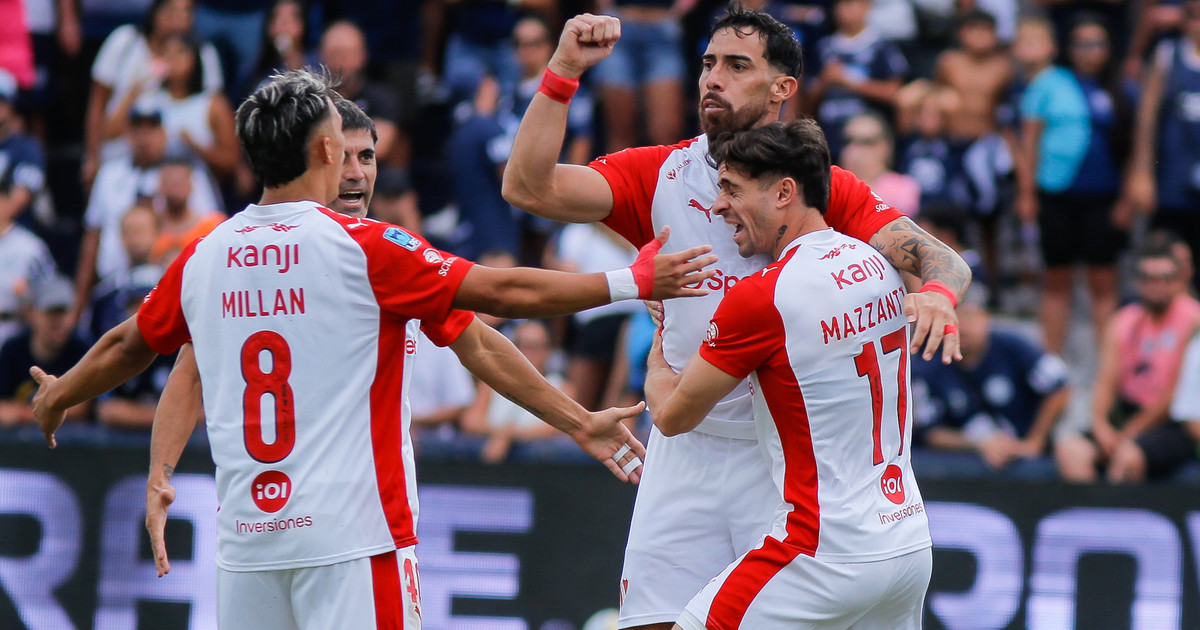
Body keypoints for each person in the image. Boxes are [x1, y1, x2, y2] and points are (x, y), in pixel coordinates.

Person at [30, 68, 715, 628]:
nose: (355, 166)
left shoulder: (205, 254)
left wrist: (61, 393)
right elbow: (501, 292)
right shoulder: (365, 250)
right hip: (354, 539)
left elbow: (128, 345)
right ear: (325, 151)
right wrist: (630, 280)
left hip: (248, 544)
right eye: (344, 145)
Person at [500, 9, 968, 629]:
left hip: (777, 461)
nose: (713, 79)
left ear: (782, 88)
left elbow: (939, 258)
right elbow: (527, 189)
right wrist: (562, 70)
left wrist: (936, 293)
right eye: (707, 63)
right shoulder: (662, 173)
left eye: (738, 65)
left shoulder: (817, 187)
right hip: (683, 448)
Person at [647, 120, 931, 629]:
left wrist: (660, 335)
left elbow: (671, 417)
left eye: (732, 189)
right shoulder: (878, 264)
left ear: (784, 192)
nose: (718, 206)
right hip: (907, 542)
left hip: (821, 553)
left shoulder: (763, 297)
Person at [1016, 15, 1133, 355]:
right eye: (1082, 44)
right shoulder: (1049, 83)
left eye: (1097, 44)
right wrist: (1027, 194)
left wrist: (1127, 198)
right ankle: (1052, 361)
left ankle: (1109, 364)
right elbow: (1029, 143)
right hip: (1055, 194)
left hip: (1104, 196)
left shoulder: (1121, 88)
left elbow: (1132, 148)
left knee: (1103, 279)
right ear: (1069, 48)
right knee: (1056, 278)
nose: (1090, 51)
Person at [1056, 238, 1200, 483]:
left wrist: (1130, 433)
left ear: (1179, 280)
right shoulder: (1122, 321)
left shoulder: (1193, 320)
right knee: (1071, 450)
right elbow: (1105, 381)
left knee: (1128, 458)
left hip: (1172, 421)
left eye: (1165, 278)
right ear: (1138, 282)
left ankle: (1116, 508)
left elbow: (1175, 394)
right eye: (1148, 278)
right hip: (1127, 409)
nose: (1156, 286)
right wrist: (1100, 424)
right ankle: (1087, 507)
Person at [911, 295, 1071, 473]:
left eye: (969, 317)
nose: (962, 326)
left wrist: (1034, 441)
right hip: (963, 462)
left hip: (1025, 447)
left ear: (986, 318)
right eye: (954, 318)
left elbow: (1060, 388)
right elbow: (929, 432)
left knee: (1072, 451)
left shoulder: (1014, 346)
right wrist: (981, 444)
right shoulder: (928, 363)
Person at [84, 0, 223, 183]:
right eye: (172, 11)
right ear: (156, 11)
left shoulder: (204, 52)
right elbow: (99, 105)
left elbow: (215, 111)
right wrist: (92, 157)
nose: (179, 19)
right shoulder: (125, 41)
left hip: (180, 175)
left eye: (187, 12)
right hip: (118, 164)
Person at [1128, 0, 1200, 294]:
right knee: (1169, 260)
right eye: (1194, 17)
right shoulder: (1168, 55)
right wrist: (1142, 173)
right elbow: (1146, 119)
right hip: (1174, 177)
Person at [0, 276, 89, 429]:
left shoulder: (80, 350)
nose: (58, 321)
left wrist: (24, 414)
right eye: (51, 313)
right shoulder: (13, 349)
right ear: (31, 313)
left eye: (64, 313)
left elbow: (82, 408)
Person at [838, 112, 920, 217]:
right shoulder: (832, 189)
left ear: (886, 146)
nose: (854, 149)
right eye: (848, 141)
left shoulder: (904, 187)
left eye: (866, 142)